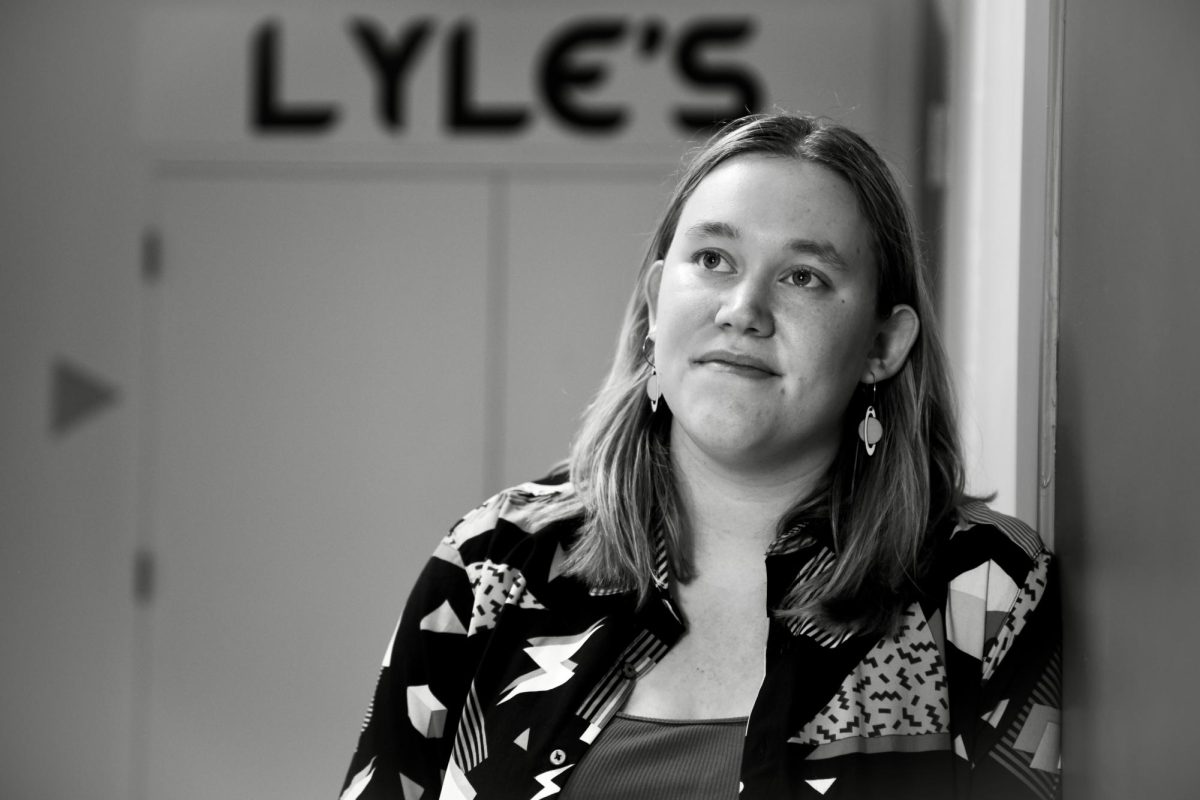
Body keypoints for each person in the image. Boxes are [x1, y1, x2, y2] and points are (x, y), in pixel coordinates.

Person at [339, 114, 1061, 800]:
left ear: (882, 345)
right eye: (714, 259)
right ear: (656, 305)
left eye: (803, 275)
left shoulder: (983, 593)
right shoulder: (493, 565)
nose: (743, 308)